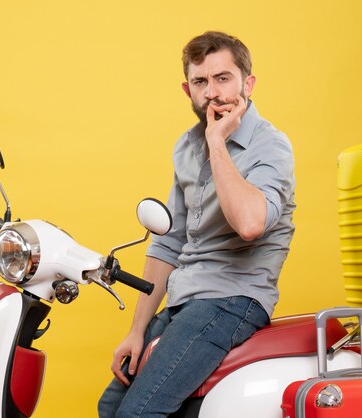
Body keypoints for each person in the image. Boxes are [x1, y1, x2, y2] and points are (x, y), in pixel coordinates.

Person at [98, 31, 295, 417]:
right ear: (187, 89)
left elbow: (251, 224)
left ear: (247, 84)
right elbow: (169, 242)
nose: (213, 93)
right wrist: (136, 331)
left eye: (224, 78)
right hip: (184, 298)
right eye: (201, 82)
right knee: (111, 406)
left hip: (234, 298)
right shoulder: (187, 147)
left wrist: (218, 142)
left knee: (138, 414)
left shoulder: (271, 145)